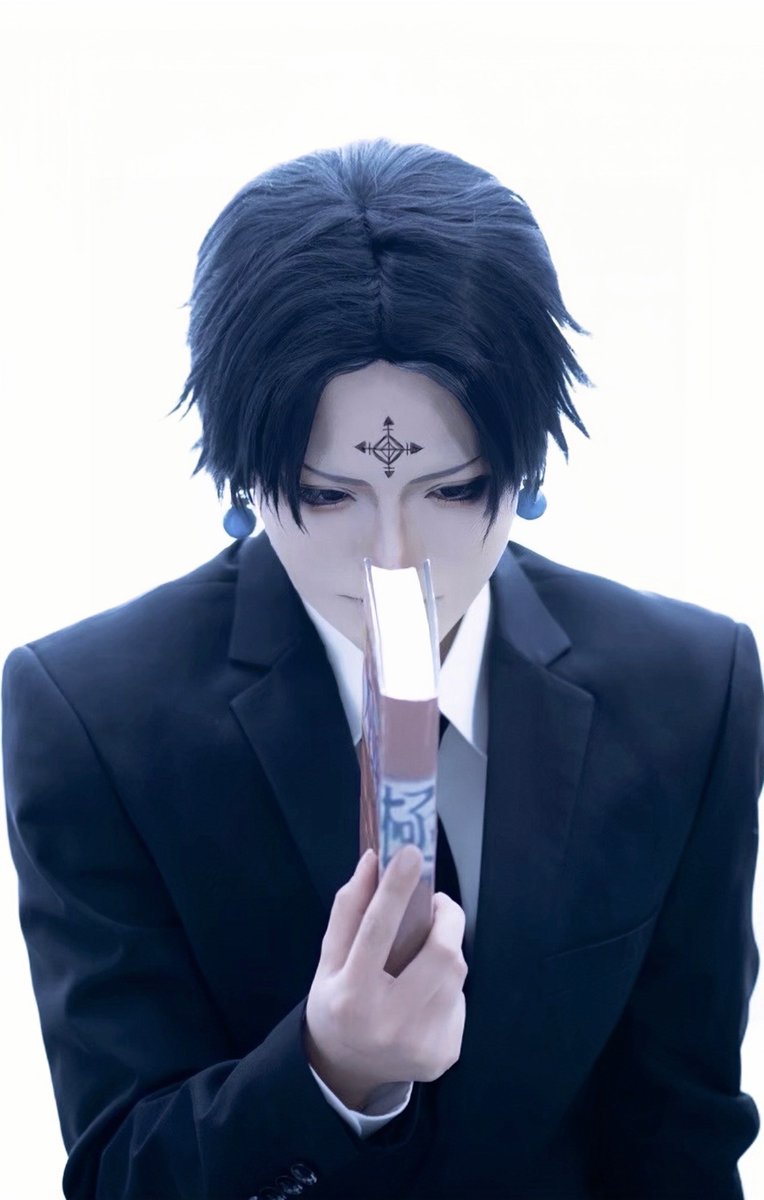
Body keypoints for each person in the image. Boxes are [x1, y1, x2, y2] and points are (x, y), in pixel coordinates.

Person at [2, 136, 761, 1200]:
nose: (392, 559)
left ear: (526, 465)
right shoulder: (90, 718)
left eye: (452, 491)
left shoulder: (688, 691)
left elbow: (682, 1141)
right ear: (242, 475)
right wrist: (331, 1070)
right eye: (327, 496)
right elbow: (120, 1171)